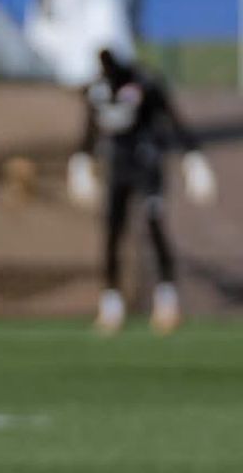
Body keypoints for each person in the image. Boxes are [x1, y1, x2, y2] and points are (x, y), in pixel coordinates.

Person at [67, 48, 215, 333]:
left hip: (146, 164)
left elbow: (174, 121)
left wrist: (193, 158)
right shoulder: (97, 91)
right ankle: (111, 304)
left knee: (153, 225)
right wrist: (81, 162)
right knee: (112, 231)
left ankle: (167, 300)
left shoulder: (145, 84)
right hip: (118, 167)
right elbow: (89, 130)